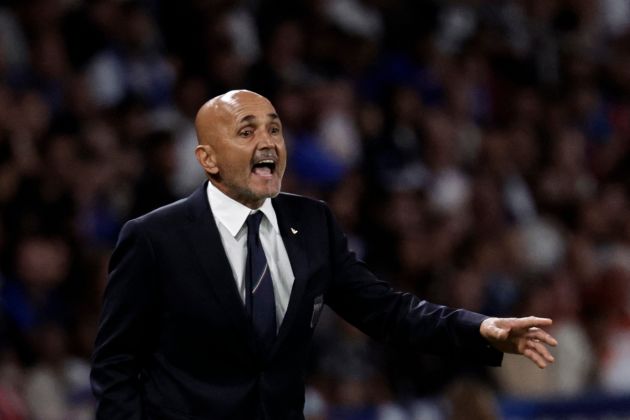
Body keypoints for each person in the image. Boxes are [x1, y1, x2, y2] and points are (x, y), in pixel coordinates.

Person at [90, 90, 558, 419]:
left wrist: (479, 329)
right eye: (246, 131)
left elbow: (388, 311)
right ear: (207, 159)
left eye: (274, 129)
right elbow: (115, 365)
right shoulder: (154, 238)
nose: (268, 142)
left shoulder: (312, 224)